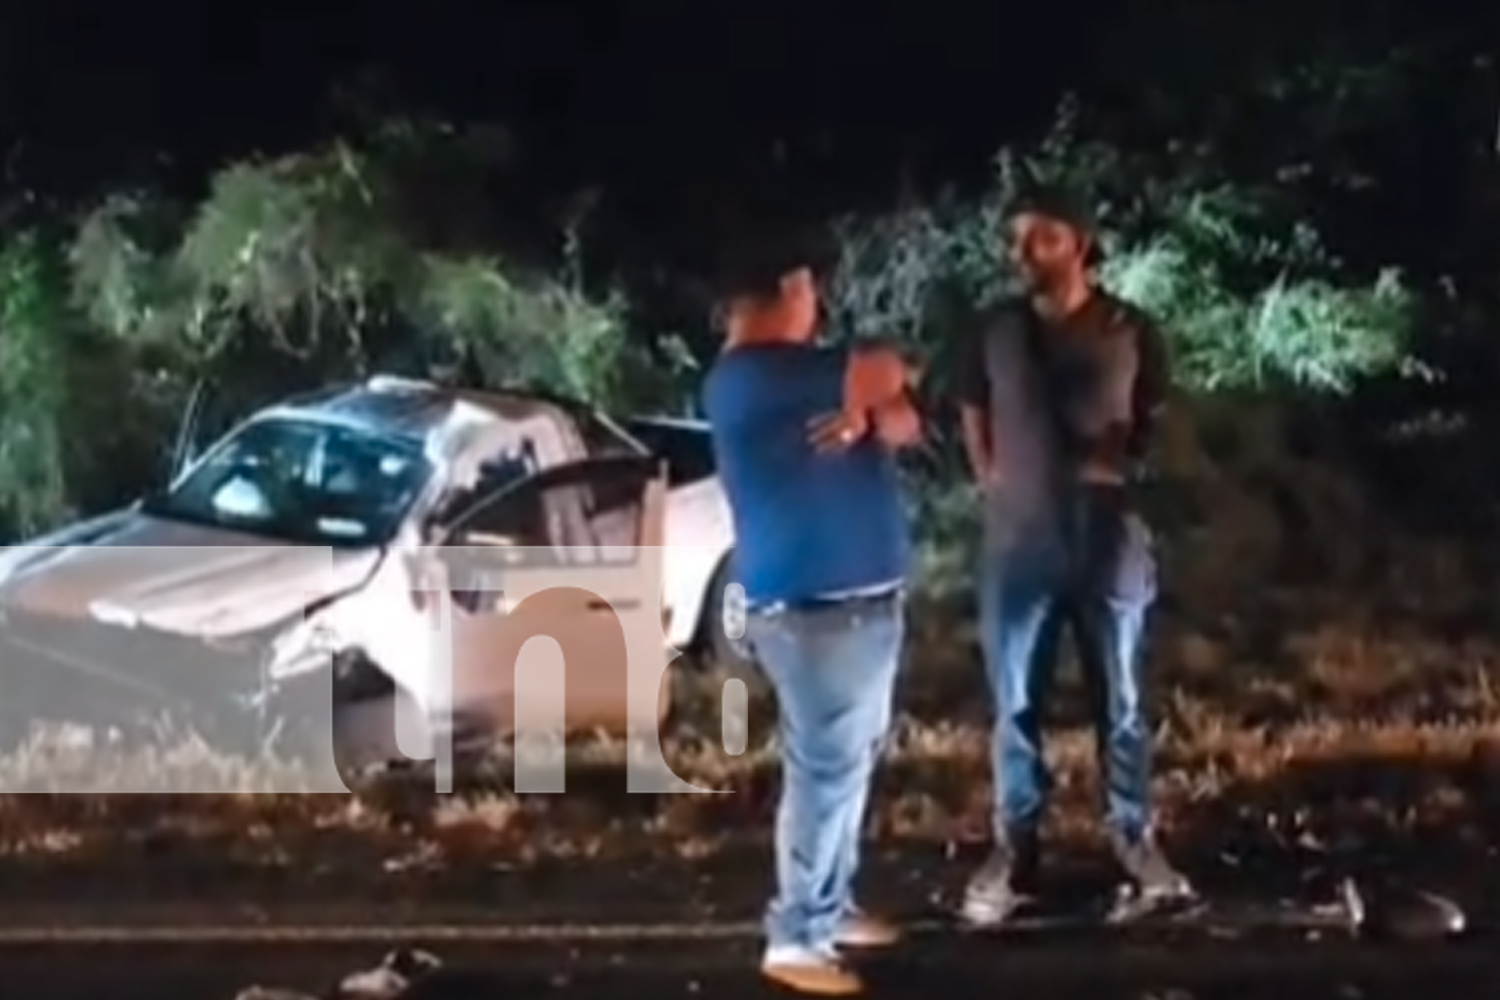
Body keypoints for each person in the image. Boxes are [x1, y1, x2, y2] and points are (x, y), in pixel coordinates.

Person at [954, 185, 1194, 926]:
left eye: (1044, 237)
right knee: (1015, 703)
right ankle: (1016, 849)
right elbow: (971, 407)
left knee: (1119, 701)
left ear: (1082, 244)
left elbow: (1157, 418)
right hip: (1021, 540)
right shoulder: (997, 330)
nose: (1025, 253)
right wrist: (994, 476)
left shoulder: (1130, 328)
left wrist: (1123, 468)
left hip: (1107, 537)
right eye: (1019, 238)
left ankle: (1133, 840)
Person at [701, 225, 923, 996]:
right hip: (815, 609)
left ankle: (829, 905)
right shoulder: (756, 377)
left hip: (852, 605)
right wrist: (871, 397)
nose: (816, 304)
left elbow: (906, 419)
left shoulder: (796, 378)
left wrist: (867, 417)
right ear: (787, 293)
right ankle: (796, 936)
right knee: (825, 773)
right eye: (808, 291)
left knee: (845, 767)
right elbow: (896, 366)